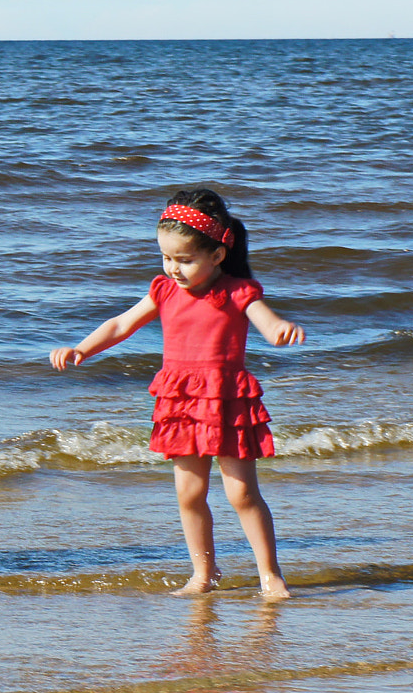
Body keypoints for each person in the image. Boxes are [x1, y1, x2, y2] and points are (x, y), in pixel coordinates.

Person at [50, 189, 305, 599]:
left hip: (226, 400)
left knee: (241, 493)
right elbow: (120, 324)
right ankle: (203, 573)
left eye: (184, 260)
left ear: (218, 255)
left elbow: (265, 319)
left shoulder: (238, 291)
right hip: (180, 402)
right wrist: (82, 348)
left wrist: (278, 330)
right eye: (167, 258)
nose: (174, 268)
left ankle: (270, 575)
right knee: (189, 493)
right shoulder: (164, 291)